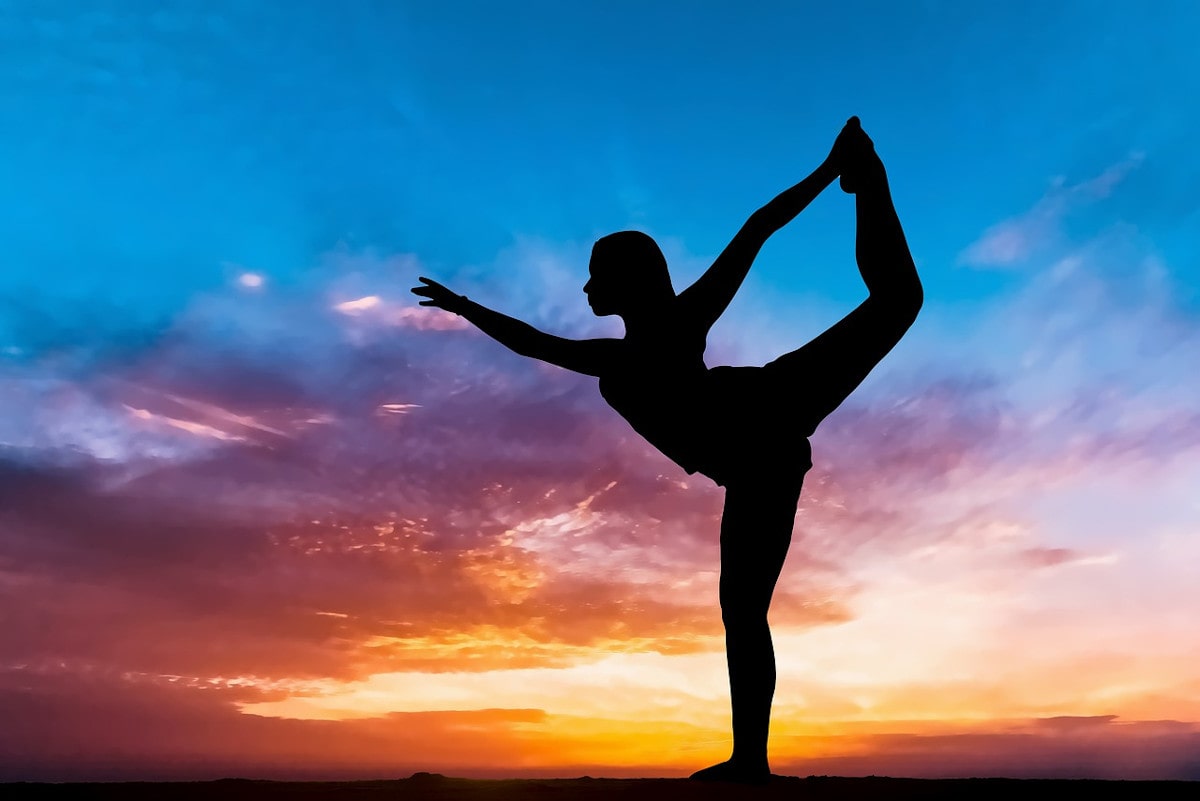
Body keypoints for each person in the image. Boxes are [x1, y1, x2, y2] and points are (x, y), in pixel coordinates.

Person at [412, 117, 922, 783]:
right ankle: (749, 761)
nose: (587, 288)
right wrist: (463, 307)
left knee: (897, 300)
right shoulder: (611, 361)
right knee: (742, 609)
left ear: (628, 280)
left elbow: (756, 230)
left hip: (767, 408)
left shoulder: (682, 320)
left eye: (597, 276)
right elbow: (531, 341)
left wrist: (832, 173)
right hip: (754, 464)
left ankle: (867, 175)